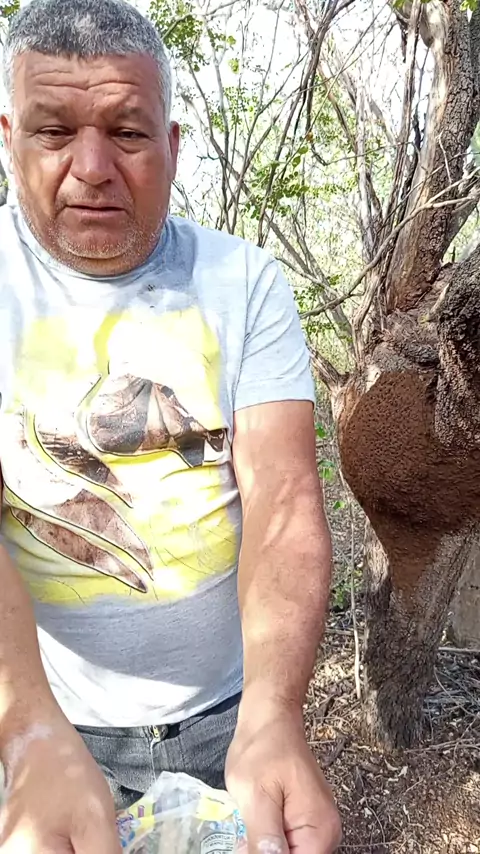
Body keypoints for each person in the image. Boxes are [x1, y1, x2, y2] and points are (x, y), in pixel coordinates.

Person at [0, 0, 341, 851]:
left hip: (232, 714)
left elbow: (283, 497)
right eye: (54, 131)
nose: (92, 168)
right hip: (44, 713)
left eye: (127, 132)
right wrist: (28, 730)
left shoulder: (244, 282)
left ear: (174, 145)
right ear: (9, 137)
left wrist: (273, 713)